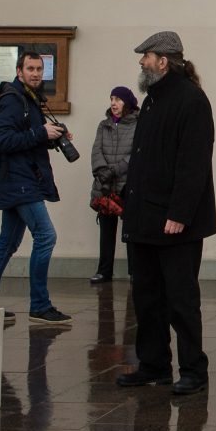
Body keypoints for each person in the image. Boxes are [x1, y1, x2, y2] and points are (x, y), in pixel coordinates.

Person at [116, 32, 216, 396]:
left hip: (175, 223)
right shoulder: (153, 99)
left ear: (164, 61)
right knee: (146, 297)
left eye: (147, 55)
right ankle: (154, 365)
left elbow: (193, 163)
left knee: (181, 300)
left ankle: (193, 370)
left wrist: (179, 213)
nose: (142, 62)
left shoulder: (191, 99)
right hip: (143, 218)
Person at [0, 50, 74, 325]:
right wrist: (41, 133)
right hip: (19, 182)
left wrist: (52, 136)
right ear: (19, 72)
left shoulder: (29, 100)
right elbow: (2, 141)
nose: (35, 73)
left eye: (39, 69)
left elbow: (26, 138)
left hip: (21, 180)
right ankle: (39, 305)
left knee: (7, 242)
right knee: (46, 236)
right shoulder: (13, 101)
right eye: (30, 69)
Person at [88, 86, 139, 284]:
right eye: (111, 98)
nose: (113, 103)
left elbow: (135, 154)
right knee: (106, 231)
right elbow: (96, 151)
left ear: (127, 102)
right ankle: (104, 270)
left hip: (127, 185)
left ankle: (134, 271)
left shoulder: (137, 124)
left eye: (118, 99)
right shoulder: (104, 125)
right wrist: (103, 172)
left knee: (131, 232)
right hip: (105, 185)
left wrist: (114, 170)